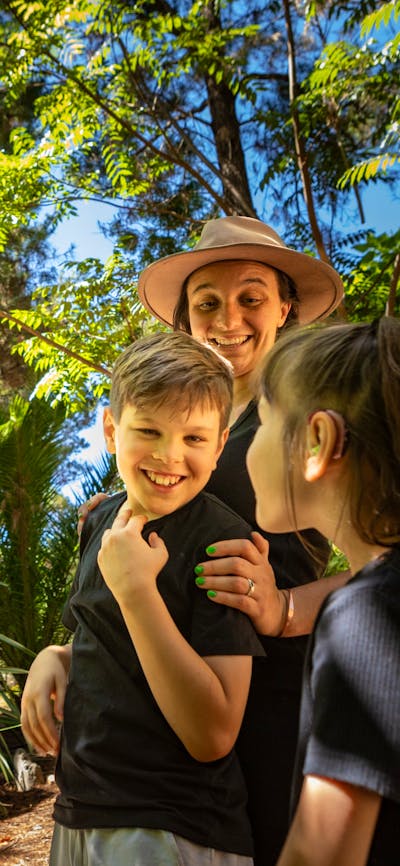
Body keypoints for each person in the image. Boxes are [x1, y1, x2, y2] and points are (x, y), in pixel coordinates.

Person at [21, 217, 348, 865]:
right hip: (142, 740)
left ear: (284, 307)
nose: (229, 319)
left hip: (268, 708)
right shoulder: (161, 441)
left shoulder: (317, 419)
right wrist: (64, 651)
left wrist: (287, 608)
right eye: (207, 303)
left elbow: (386, 563)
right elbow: (123, 592)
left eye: (251, 298)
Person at [26, 331, 265, 866]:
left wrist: (137, 592)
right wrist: (55, 656)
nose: (169, 456)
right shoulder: (102, 523)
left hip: (172, 827)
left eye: (194, 439)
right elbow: (104, 640)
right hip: (81, 813)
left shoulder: (223, 545)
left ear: (221, 443)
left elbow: (213, 732)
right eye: (148, 430)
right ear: (111, 430)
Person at [246, 316, 400, 866]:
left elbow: (322, 854)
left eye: (260, 424)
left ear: (317, 441)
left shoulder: (366, 614)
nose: (244, 446)